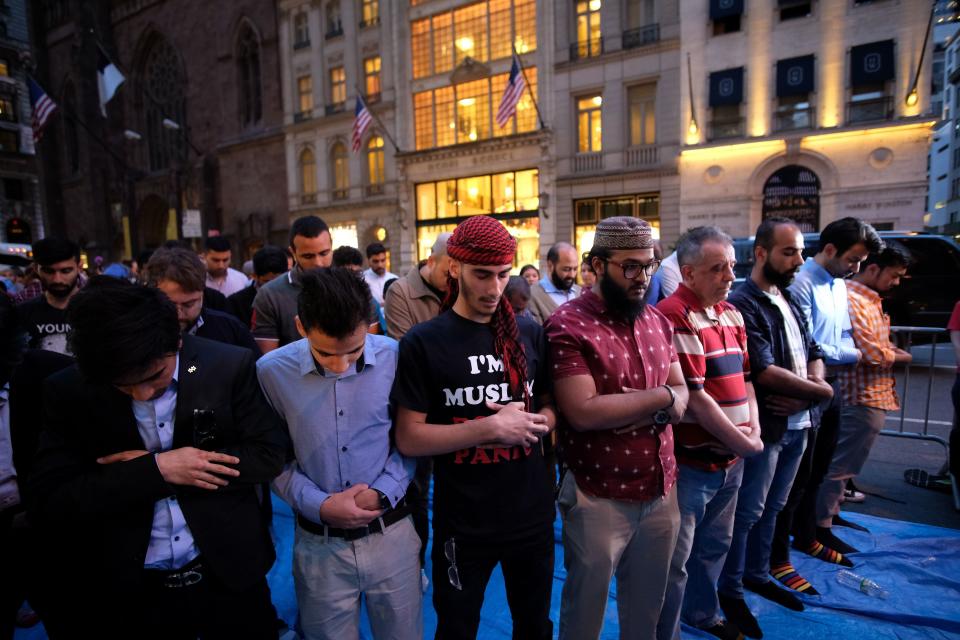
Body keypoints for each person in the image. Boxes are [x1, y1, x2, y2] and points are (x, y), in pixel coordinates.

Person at [28, 277, 287, 638]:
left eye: (154, 376)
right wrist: (157, 469)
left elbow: (268, 454)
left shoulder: (225, 365)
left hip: (229, 573)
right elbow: (52, 497)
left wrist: (186, 463)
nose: (140, 395)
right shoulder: (69, 390)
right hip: (129, 588)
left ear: (176, 342)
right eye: (122, 385)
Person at [392, 216, 556, 640]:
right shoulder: (425, 341)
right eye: (482, 275)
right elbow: (409, 437)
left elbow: (551, 410)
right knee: (457, 627)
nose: (494, 288)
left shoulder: (528, 332)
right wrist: (489, 428)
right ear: (454, 269)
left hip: (531, 514)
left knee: (535, 626)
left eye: (503, 275)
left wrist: (535, 423)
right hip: (464, 521)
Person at [545, 216, 688, 640]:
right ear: (596, 265)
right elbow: (585, 413)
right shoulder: (568, 324)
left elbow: (684, 395)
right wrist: (660, 398)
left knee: (646, 610)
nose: (642, 276)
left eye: (649, 265)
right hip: (597, 494)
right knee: (584, 616)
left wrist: (630, 404)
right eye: (630, 266)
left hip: (661, 488)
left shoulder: (657, 321)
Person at [258, 268, 421, 640]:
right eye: (326, 354)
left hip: (391, 533)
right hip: (319, 546)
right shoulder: (271, 373)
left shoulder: (396, 357)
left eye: (354, 351)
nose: (341, 366)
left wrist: (384, 490)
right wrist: (320, 504)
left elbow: (409, 439)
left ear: (370, 325)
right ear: (301, 327)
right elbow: (272, 458)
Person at [719, 218, 834, 638]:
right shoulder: (744, 301)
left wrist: (813, 391)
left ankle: (757, 572)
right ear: (762, 253)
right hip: (770, 427)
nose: (799, 260)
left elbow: (814, 349)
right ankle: (729, 588)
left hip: (800, 423)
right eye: (790, 252)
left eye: (801, 252)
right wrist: (820, 393)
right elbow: (763, 369)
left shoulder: (787, 295)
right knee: (747, 512)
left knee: (774, 506)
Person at [655, 227, 762, 640]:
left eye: (732, 267)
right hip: (692, 464)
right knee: (675, 559)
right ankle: (667, 633)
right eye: (718, 269)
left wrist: (750, 429)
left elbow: (748, 379)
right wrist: (744, 441)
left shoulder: (731, 313)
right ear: (688, 273)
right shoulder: (673, 315)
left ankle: (703, 614)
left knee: (715, 545)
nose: (729, 277)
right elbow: (694, 397)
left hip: (731, 460)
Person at [780, 216, 883, 566]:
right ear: (829, 249)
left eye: (860, 262)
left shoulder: (838, 284)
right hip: (806, 387)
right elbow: (813, 345)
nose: (855, 268)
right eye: (852, 259)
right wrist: (853, 353)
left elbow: (841, 339)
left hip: (832, 386)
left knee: (821, 467)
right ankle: (793, 540)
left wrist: (847, 351)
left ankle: (811, 532)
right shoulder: (802, 282)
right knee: (797, 476)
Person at [816, 245, 912, 542]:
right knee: (840, 466)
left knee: (844, 466)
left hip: (870, 396)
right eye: (894, 276)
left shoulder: (867, 299)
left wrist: (890, 352)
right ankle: (820, 526)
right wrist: (901, 356)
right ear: (874, 269)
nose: (896, 283)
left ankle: (828, 517)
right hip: (861, 396)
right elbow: (872, 353)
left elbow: (878, 348)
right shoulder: (853, 299)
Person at [143, 247, 259, 357]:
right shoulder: (134, 333)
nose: (178, 314)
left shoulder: (230, 331)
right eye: (169, 304)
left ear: (203, 294)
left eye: (189, 304)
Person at [253, 215, 333, 353]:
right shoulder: (269, 295)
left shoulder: (354, 285)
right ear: (293, 253)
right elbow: (268, 361)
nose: (318, 263)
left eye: (324, 253)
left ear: (332, 246)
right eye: (308, 256)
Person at [16, 238, 83, 355]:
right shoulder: (22, 313)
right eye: (48, 271)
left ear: (79, 267)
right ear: (36, 269)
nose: (57, 279)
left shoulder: (98, 310)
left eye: (65, 271)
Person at [384, 232, 451, 340]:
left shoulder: (460, 287)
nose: (452, 282)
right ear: (431, 262)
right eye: (447, 274)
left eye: (457, 276)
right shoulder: (399, 292)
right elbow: (404, 348)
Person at [227, 246, 287, 329]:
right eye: (267, 282)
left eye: (278, 281)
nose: (273, 287)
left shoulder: (296, 296)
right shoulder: (235, 303)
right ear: (254, 276)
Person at [332, 246, 387, 334]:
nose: (353, 278)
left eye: (357, 273)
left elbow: (371, 336)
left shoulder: (369, 301)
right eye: (347, 274)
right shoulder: (324, 300)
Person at [528, 242, 581, 324]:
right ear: (550, 266)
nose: (572, 275)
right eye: (566, 269)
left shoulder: (580, 292)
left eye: (575, 269)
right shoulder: (533, 295)